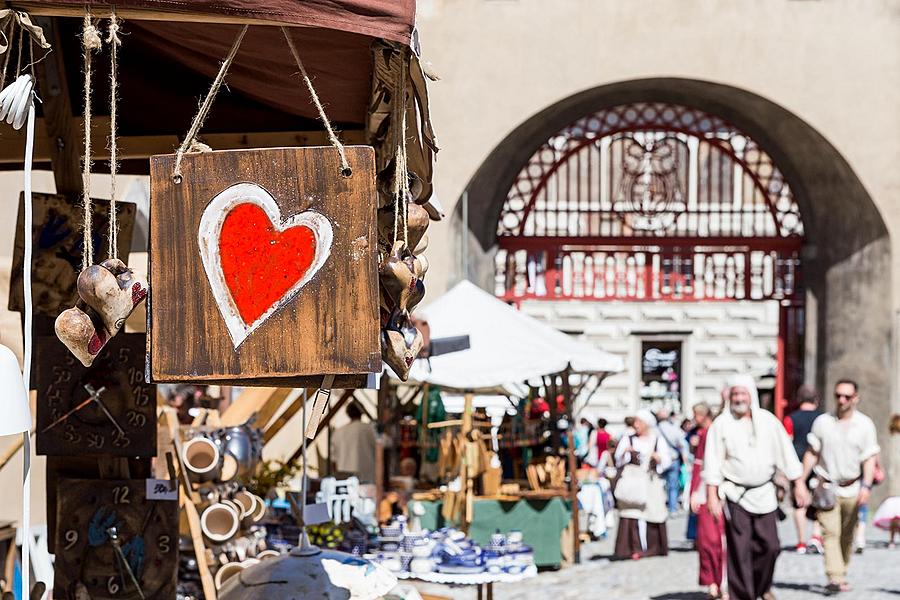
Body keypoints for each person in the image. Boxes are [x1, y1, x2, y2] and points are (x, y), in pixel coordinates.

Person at [704, 374, 809, 600]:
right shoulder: (721, 424)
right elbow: (712, 462)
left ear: (751, 395)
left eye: (743, 393)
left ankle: (761, 587)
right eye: (735, 394)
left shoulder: (768, 421)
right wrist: (712, 496)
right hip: (735, 494)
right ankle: (743, 596)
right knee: (740, 550)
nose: (739, 398)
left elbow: (787, 455)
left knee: (770, 546)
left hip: (765, 494)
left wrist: (798, 484)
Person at [801, 379, 880, 593]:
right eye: (838, 395)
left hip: (852, 487)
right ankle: (834, 577)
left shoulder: (864, 424)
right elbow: (812, 452)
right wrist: (800, 481)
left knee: (847, 534)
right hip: (826, 486)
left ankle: (841, 571)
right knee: (831, 533)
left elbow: (869, 458)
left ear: (855, 398)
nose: (841, 400)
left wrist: (866, 486)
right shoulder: (822, 422)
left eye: (846, 396)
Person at [613, 409, 672, 560]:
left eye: (639, 422)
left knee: (653, 511)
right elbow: (618, 459)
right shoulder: (628, 438)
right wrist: (626, 453)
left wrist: (657, 458)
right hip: (633, 481)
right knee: (631, 512)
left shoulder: (657, 439)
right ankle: (632, 548)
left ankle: (653, 547)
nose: (636, 425)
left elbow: (667, 460)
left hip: (651, 481)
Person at [689, 402, 726, 599]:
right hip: (705, 490)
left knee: (722, 541)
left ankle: (724, 583)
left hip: (724, 491)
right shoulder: (703, 434)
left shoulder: (711, 432)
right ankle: (712, 582)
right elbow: (700, 466)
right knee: (707, 540)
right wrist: (695, 491)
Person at [783, 384, 824, 554]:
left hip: (797, 464)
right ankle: (815, 536)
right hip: (819, 464)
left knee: (799, 503)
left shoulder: (790, 419)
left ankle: (801, 542)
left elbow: (786, 443)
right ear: (816, 399)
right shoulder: (823, 419)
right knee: (820, 501)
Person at [331, 401, 377, 483]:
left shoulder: (338, 431)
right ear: (362, 412)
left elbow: (334, 460)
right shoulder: (369, 429)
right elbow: (385, 443)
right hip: (366, 476)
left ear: (348, 413)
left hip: (344, 477)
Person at [872, 414, 900, 549]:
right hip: (895, 480)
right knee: (895, 512)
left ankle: (892, 540)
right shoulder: (894, 441)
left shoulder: (894, 441)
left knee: (895, 512)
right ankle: (893, 539)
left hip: (895, 480)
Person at [657, 407, 690, 513]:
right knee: (673, 485)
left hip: (659, 460)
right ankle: (672, 508)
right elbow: (683, 445)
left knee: (658, 484)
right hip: (673, 459)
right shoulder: (674, 429)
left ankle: (659, 507)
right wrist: (685, 460)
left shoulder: (655, 429)